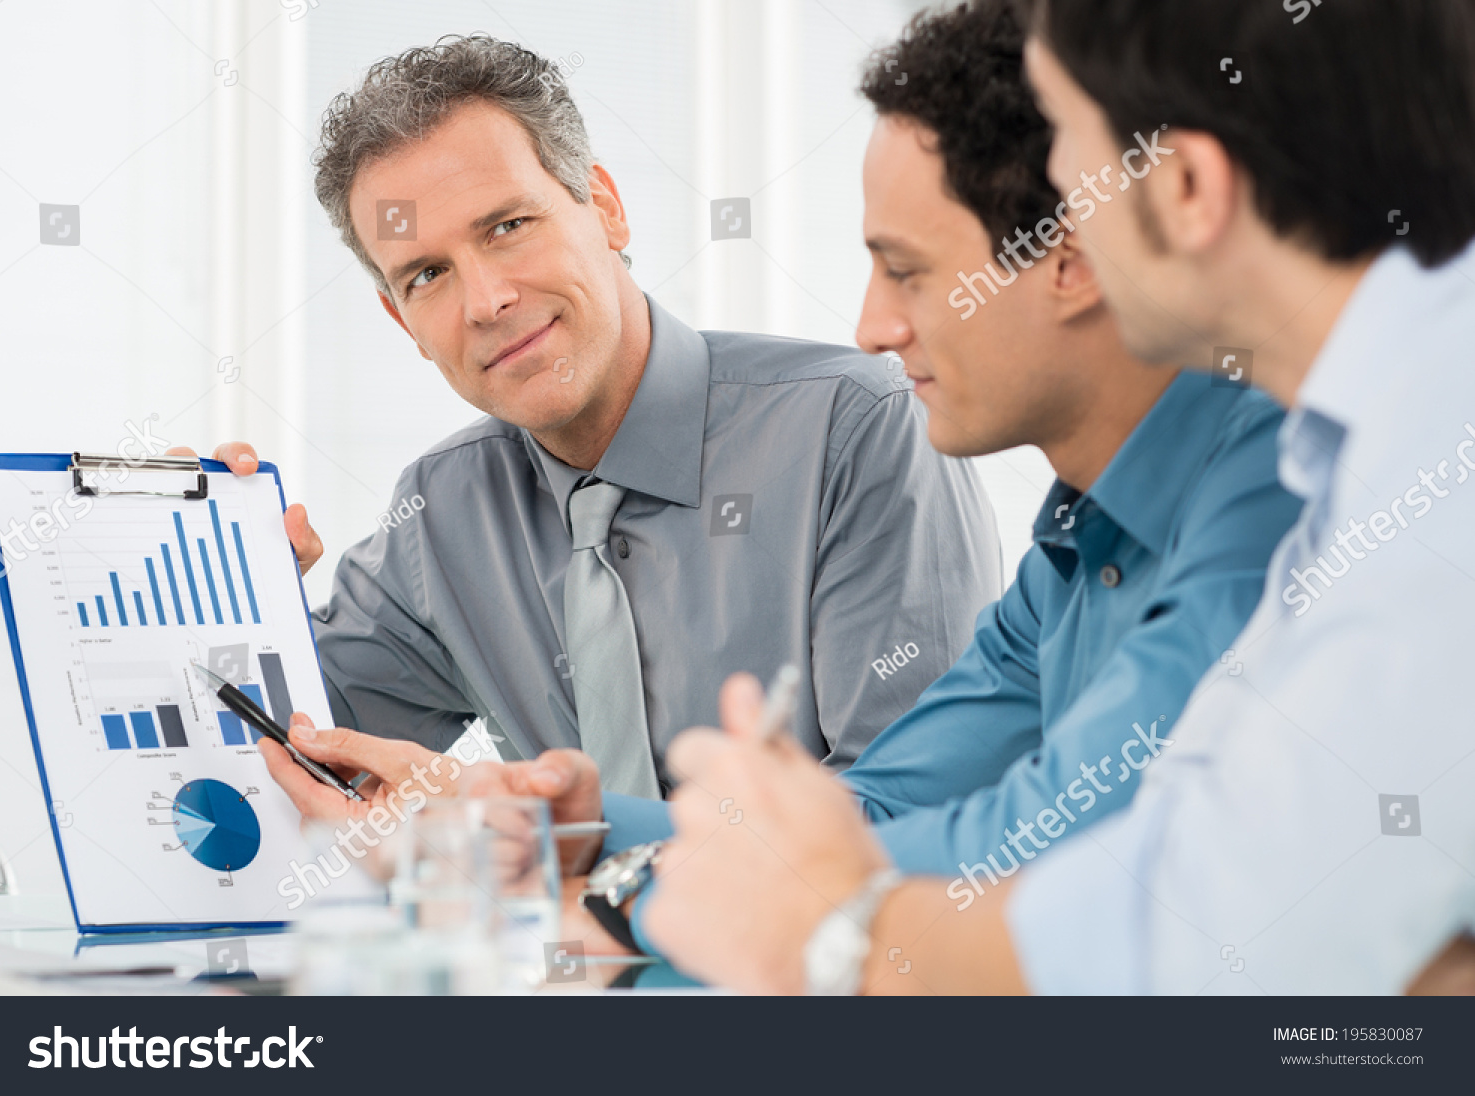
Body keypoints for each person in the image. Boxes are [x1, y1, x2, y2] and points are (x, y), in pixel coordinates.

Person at [260, 1, 1300, 978]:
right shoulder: (1069, 551)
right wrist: (238, 585)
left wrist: (616, 906)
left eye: (909, 270)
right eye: (426, 274)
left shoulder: (1276, 495)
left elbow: (977, 838)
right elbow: (893, 814)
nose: (874, 327)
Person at [642, 0, 1475, 994]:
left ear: (1186, 188)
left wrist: (838, 929)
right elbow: (1196, 866)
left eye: (1074, 158)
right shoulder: (1350, 452)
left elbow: (1198, 937)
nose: (1068, 207)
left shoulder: (1416, 481)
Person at [183, 33, 1001, 800]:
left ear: (604, 206)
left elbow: (918, 820)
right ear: (402, 321)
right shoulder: (440, 516)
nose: (486, 301)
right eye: (427, 274)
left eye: (508, 226)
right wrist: (226, 603)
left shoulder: (857, 430)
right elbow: (273, 759)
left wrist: (532, 839)